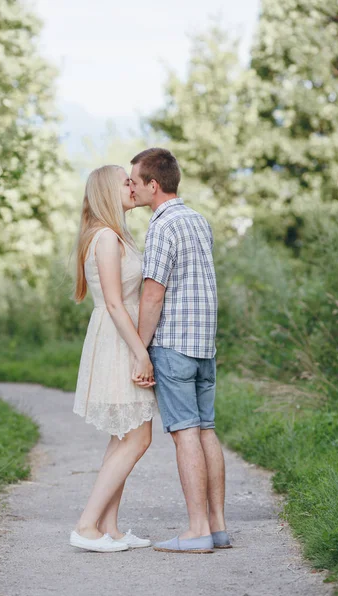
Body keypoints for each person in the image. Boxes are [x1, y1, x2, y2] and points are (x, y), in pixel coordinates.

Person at [130, 148, 231, 553]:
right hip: (205, 345)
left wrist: (139, 348)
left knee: (185, 433)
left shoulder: (162, 226)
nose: (131, 189)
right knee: (206, 429)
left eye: (134, 182)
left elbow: (153, 295)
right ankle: (217, 527)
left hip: (173, 344)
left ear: (153, 185)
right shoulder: (197, 220)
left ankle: (195, 531)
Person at [70, 165, 157, 553]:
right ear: (108, 191)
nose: (132, 187)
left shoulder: (114, 235)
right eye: (126, 181)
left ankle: (110, 526)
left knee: (124, 434)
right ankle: (86, 526)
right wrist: (141, 354)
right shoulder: (106, 238)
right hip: (120, 342)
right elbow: (116, 305)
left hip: (123, 339)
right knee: (138, 435)